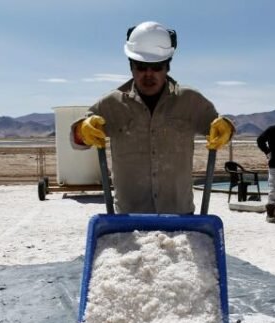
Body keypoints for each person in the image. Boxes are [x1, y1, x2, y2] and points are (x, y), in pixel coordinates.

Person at [70, 21, 235, 214]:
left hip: (180, 217)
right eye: (141, 66)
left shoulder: (191, 101)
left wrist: (227, 129)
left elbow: (220, 128)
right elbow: (77, 141)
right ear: (131, 66)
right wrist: (82, 130)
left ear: (167, 67)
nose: (149, 74)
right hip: (128, 219)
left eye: (156, 67)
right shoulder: (111, 104)